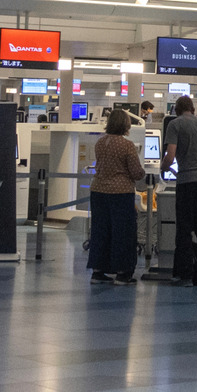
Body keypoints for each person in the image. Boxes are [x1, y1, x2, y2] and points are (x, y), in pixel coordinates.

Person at [161, 95, 197, 287]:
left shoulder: (175, 125)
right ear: (193, 109)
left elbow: (170, 156)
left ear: (176, 110)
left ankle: (184, 275)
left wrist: (163, 167)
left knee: (184, 228)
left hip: (188, 181)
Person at [88, 109, 141, 285]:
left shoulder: (100, 142)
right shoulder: (127, 145)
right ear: (125, 124)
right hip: (120, 193)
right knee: (122, 233)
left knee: (100, 231)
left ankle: (98, 271)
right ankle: (123, 273)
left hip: (98, 191)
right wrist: (143, 174)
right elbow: (135, 171)